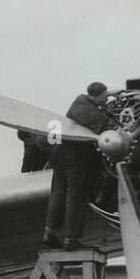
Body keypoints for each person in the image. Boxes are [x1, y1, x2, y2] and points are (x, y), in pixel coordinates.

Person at [43, 82, 110, 249]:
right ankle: (71, 239)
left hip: (59, 155)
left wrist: (115, 92)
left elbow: (97, 98)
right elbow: (105, 133)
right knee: (76, 197)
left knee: (58, 193)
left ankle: (49, 233)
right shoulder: (95, 116)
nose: (108, 99)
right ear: (96, 97)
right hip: (77, 159)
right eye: (105, 96)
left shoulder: (80, 100)